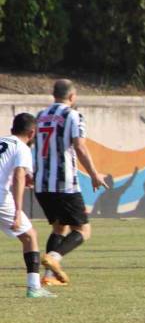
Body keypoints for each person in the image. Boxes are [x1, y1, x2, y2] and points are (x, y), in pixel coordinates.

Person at [34, 79, 108, 285]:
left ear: (53, 95)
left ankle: (48, 278)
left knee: (59, 228)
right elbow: (80, 146)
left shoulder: (40, 116)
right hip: (64, 184)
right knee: (83, 230)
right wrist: (94, 174)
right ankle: (53, 258)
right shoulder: (73, 116)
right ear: (72, 96)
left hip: (41, 184)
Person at [0, 113, 56, 298]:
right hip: (1, 198)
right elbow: (18, 176)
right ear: (32, 133)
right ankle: (34, 287)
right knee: (30, 236)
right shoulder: (22, 147)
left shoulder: (3, 141)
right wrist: (17, 211)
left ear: (12, 129)